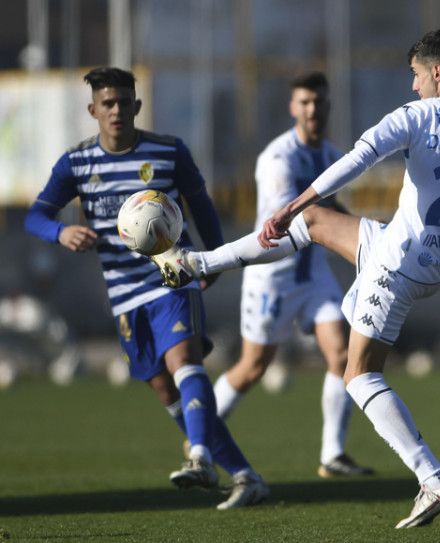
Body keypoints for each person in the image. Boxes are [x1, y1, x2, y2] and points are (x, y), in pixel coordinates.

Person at [151, 27, 440, 528]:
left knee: (359, 374)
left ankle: (432, 479)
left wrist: (292, 202)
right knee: (318, 222)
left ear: (436, 72)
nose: (412, 87)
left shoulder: (418, 115)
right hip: (431, 261)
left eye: (415, 75)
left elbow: (358, 158)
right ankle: (199, 263)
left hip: (397, 264)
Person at [24, 67, 268, 510]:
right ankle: (246, 476)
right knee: (163, 388)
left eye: (124, 102)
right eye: (108, 103)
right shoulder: (76, 163)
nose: (116, 111)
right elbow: (34, 216)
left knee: (183, 361)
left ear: (137, 106)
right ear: (93, 110)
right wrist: (59, 233)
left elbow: (201, 204)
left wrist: (214, 256)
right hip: (122, 293)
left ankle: (199, 458)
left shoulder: (169, 152)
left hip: (173, 276)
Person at [212, 71, 373, 478]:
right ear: (293, 108)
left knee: (342, 353)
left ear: (328, 106)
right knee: (253, 367)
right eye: (304, 102)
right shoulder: (277, 158)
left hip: (313, 271)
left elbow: (333, 210)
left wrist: (373, 236)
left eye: (318, 101)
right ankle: (200, 435)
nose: (312, 109)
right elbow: (290, 220)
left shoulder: (331, 154)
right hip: (275, 276)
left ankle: (332, 456)